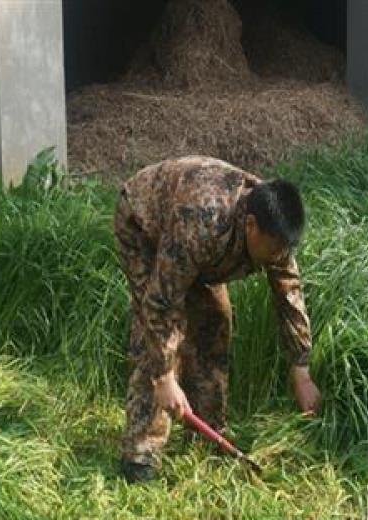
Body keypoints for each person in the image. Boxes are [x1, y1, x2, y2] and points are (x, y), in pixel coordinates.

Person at [114, 156, 322, 484]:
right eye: (274, 250)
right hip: (143, 225)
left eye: (285, 250)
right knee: (155, 335)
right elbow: (160, 304)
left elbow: (289, 293)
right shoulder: (202, 220)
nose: (279, 258)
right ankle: (141, 454)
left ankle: (208, 433)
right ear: (251, 226)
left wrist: (301, 369)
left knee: (216, 319)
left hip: (193, 245)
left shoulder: (274, 231)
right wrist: (166, 376)